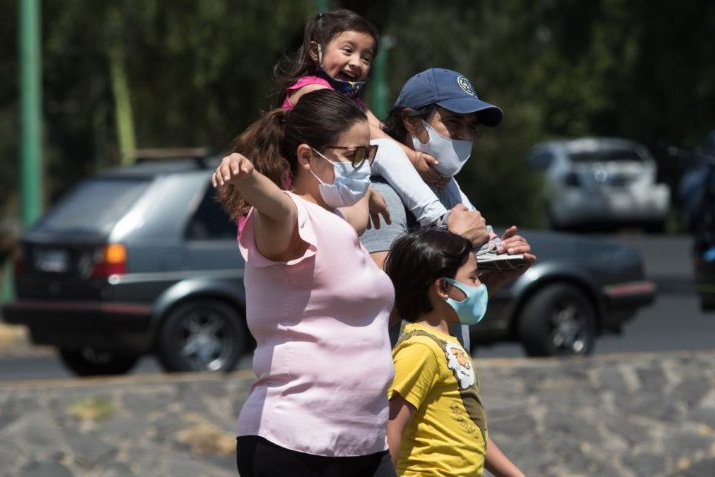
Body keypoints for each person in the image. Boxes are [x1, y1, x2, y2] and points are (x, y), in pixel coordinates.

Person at [214, 89, 395, 477]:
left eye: (369, 155)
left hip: (366, 441)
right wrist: (244, 173)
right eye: (353, 155)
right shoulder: (289, 219)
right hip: (295, 444)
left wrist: (369, 193)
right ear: (307, 157)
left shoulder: (340, 224)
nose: (363, 166)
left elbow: (354, 216)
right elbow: (275, 205)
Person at [359, 67, 536, 346]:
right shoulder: (381, 199)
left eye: (472, 127)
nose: (464, 136)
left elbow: (448, 299)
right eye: (453, 122)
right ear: (410, 122)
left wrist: (499, 270)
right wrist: (456, 242)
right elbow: (381, 311)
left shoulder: (449, 194)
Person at [270, 9, 450, 226]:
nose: (356, 62)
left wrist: (425, 155)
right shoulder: (313, 88)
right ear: (315, 52)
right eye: (347, 51)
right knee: (384, 150)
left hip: (341, 161)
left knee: (434, 155)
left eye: (366, 58)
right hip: (318, 169)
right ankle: (436, 218)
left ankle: (469, 219)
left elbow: (383, 129)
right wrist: (414, 159)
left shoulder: (351, 98)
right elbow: (372, 134)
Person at [383, 229, 527, 477]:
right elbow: (391, 428)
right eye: (473, 278)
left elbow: (470, 428)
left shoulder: (447, 343)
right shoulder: (419, 349)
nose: (480, 286)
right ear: (442, 287)